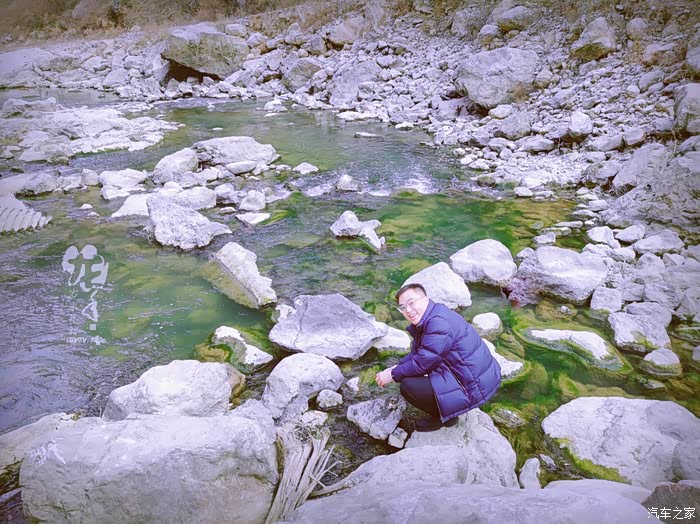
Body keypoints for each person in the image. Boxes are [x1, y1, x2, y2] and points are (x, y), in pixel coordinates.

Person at [375, 283, 502, 432]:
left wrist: (392, 375)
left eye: (411, 303)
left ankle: (447, 418)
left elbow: (423, 363)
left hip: (476, 386)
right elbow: (419, 353)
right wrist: (396, 367)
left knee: (408, 386)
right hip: (473, 375)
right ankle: (448, 406)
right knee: (406, 372)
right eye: (403, 307)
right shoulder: (432, 315)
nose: (408, 310)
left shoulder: (438, 323)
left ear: (425, 299)